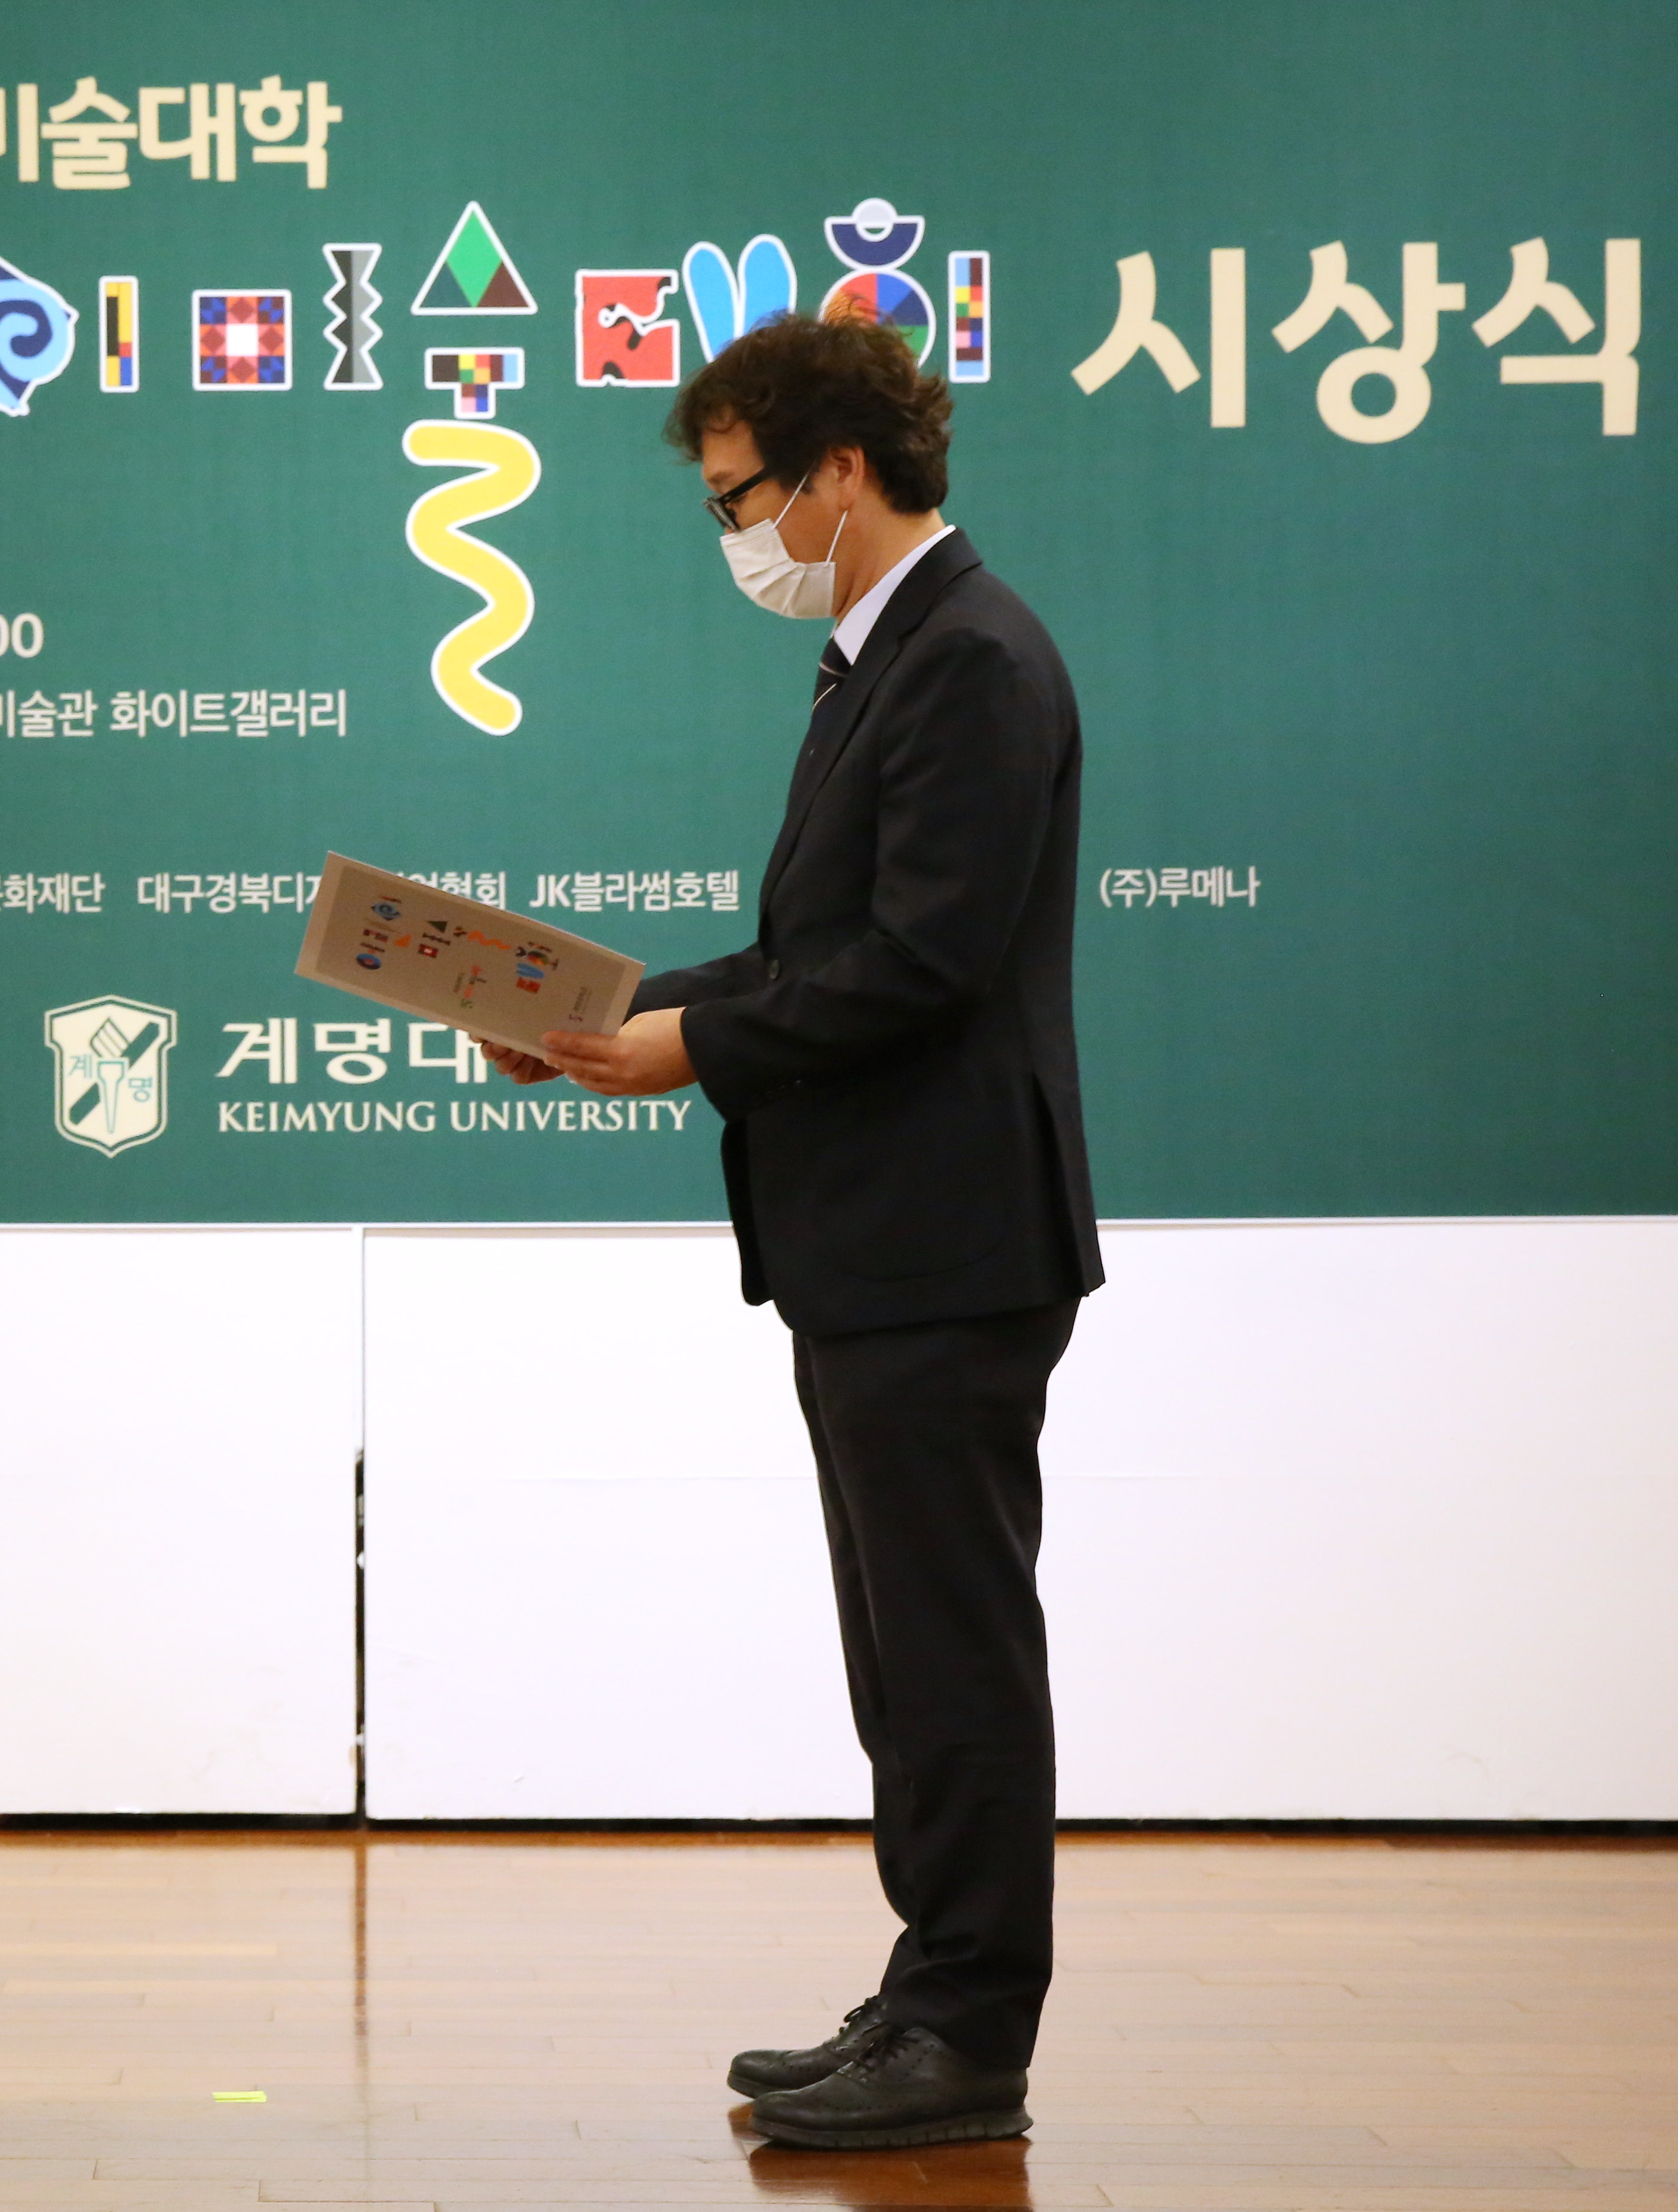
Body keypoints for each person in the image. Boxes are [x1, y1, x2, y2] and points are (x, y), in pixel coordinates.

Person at [493, 310, 1103, 2150]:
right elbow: (806, 954)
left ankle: (971, 2031)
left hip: (946, 1239)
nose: (733, 533)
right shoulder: (881, 656)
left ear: (841, 468)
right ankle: (926, 1988)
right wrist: (607, 1012)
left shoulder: (970, 656)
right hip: (877, 1241)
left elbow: (921, 962)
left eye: (738, 495)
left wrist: (683, 1046)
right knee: (901, 1657)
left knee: (951, 1649)